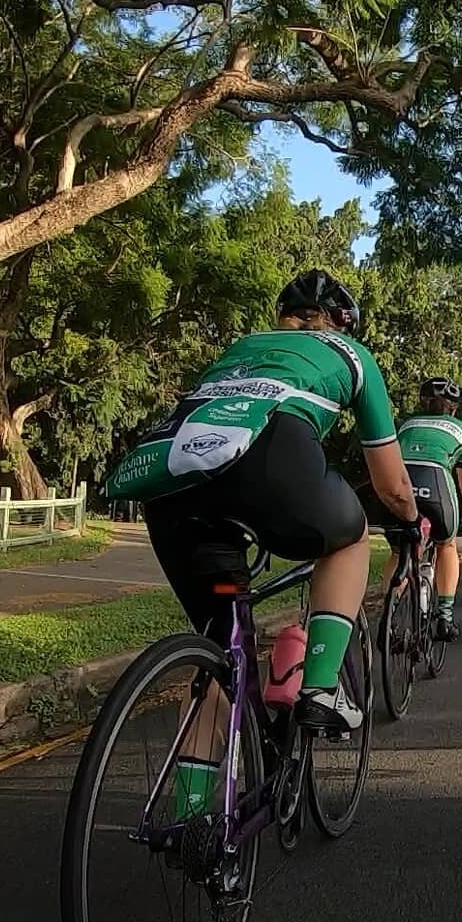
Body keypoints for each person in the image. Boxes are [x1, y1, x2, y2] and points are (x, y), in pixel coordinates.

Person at [104, 270, 420, 814]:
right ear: (344, 323)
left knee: (220, 652)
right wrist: (412, 523)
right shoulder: (350, 354)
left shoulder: (242, 348)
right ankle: (320, 688)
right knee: (349, 539)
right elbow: (391, 485)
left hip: (174, 479)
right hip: (269, 458)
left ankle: (192, 819)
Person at [397, 376, 462, 640]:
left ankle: (394, 611)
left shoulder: (406, 424)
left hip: (400, 483)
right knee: (446, 545)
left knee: (398, 550)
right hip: (436, 485)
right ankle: (444, 617)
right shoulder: (461, 429)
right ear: (453, 408)